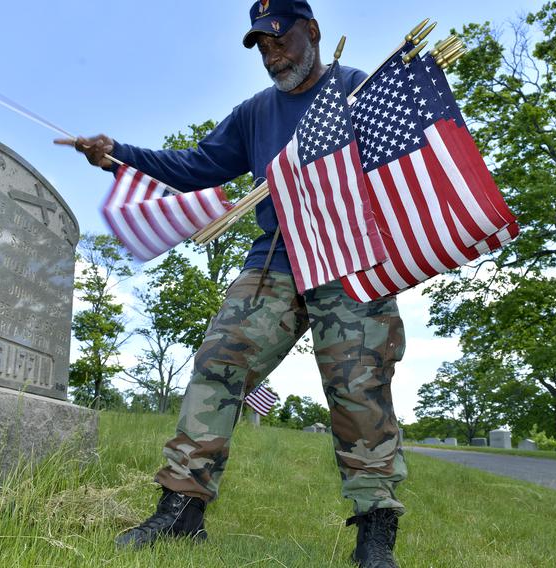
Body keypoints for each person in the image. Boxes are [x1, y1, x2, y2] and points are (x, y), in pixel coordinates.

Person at [57, 2, 407, 565]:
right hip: (274, 259)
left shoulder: (357, 90)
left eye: (281, 40)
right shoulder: (255, 114)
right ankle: (181, 510)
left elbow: (401, 169)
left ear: (311, 31)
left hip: (349, 259)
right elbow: (196, 165)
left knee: (357, 387)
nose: (274, 55)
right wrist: (118, 155)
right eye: (262, 47)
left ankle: (375, 528)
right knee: (219, 362)